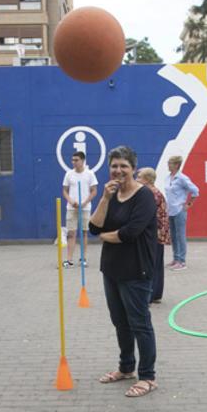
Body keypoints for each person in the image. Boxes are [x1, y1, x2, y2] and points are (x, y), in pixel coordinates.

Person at [91, 145, 159, 397]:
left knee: (140, 324)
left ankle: (148, 376)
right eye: (114, 166)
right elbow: (93, 227)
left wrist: (106, 236)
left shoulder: (144, 196)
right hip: (111, 269)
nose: (118, 171)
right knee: (120, 322)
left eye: (124, 166)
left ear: (133, 168)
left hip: (136, 270)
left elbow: (130, 233)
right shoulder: (112, 194)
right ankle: (126, 367)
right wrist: (105, 198)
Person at [135, 166, 171, 303]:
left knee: (151, 263)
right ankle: (155, 293)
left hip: (153, 234)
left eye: (139, 177)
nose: (136, 179)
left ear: (147, 179)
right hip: (158, 233)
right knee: (156, 263)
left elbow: (146, 215)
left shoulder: (150, 193)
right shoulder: (154, 192)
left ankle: (150, 293)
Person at [61, 150, 98, 268]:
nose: (74, 162)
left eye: (76, 160)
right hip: (71, 208)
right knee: (71, 233)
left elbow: (94, 191)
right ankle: (69, 259)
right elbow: (65, 191)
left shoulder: (90, 174)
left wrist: (84, 203)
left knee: (84, 232)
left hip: (85, 208)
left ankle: (83, 258)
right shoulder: (69, 174)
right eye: (72, 160)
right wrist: (71, 201)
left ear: (82, 160)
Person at [163, 155, 199, 270]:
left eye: (170, 163)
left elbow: (195, 190)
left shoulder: (182, 178)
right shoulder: (168, 177)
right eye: (168, 163)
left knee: (180, 235)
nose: (168, 165)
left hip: (179, 210)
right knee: (173, 236)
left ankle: (182, 262)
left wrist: (188, 204)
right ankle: (176, 259)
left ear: (177, 165)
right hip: (170, 210)